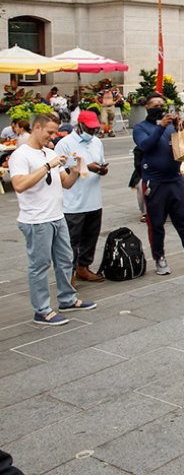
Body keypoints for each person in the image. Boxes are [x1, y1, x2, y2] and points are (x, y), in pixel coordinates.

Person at [10, 113, 97, 325]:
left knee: (66, 259)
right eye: (49, 132)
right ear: (36, 128)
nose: (53, 136)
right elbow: (19, 185)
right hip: (36, 220)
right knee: (39, 265)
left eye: (55, 132)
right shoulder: (21, 155)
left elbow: (66, 183)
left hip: (57, 215)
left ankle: (67, 299)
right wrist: (48, 166)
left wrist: (76, 171)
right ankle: (41, 310)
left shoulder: (48, 152)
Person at [133, 93, 184, 275]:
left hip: (175, 179)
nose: (160, 107)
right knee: (157, 224)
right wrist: (160, 127)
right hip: (155, 182)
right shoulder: (141, 128)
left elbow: (181, 149)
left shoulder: (170, 128)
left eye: (162, 103)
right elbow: (145, 146)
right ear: (147, 107)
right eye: (155, 104)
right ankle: (159, 257)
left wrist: (179, 131)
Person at [54, 111, 108, 284]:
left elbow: (100, 161)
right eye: (89, 128)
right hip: (73, 202)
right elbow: (62, 170)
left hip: (94, 199)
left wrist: (101, 169)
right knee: (71, 241)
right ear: (80, 125)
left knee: (91, 237)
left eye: (95, 129)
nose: (92, 132)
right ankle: (69, 275)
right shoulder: (64, 144)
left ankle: (83, 267)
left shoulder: (97, 142)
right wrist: (86, 167)